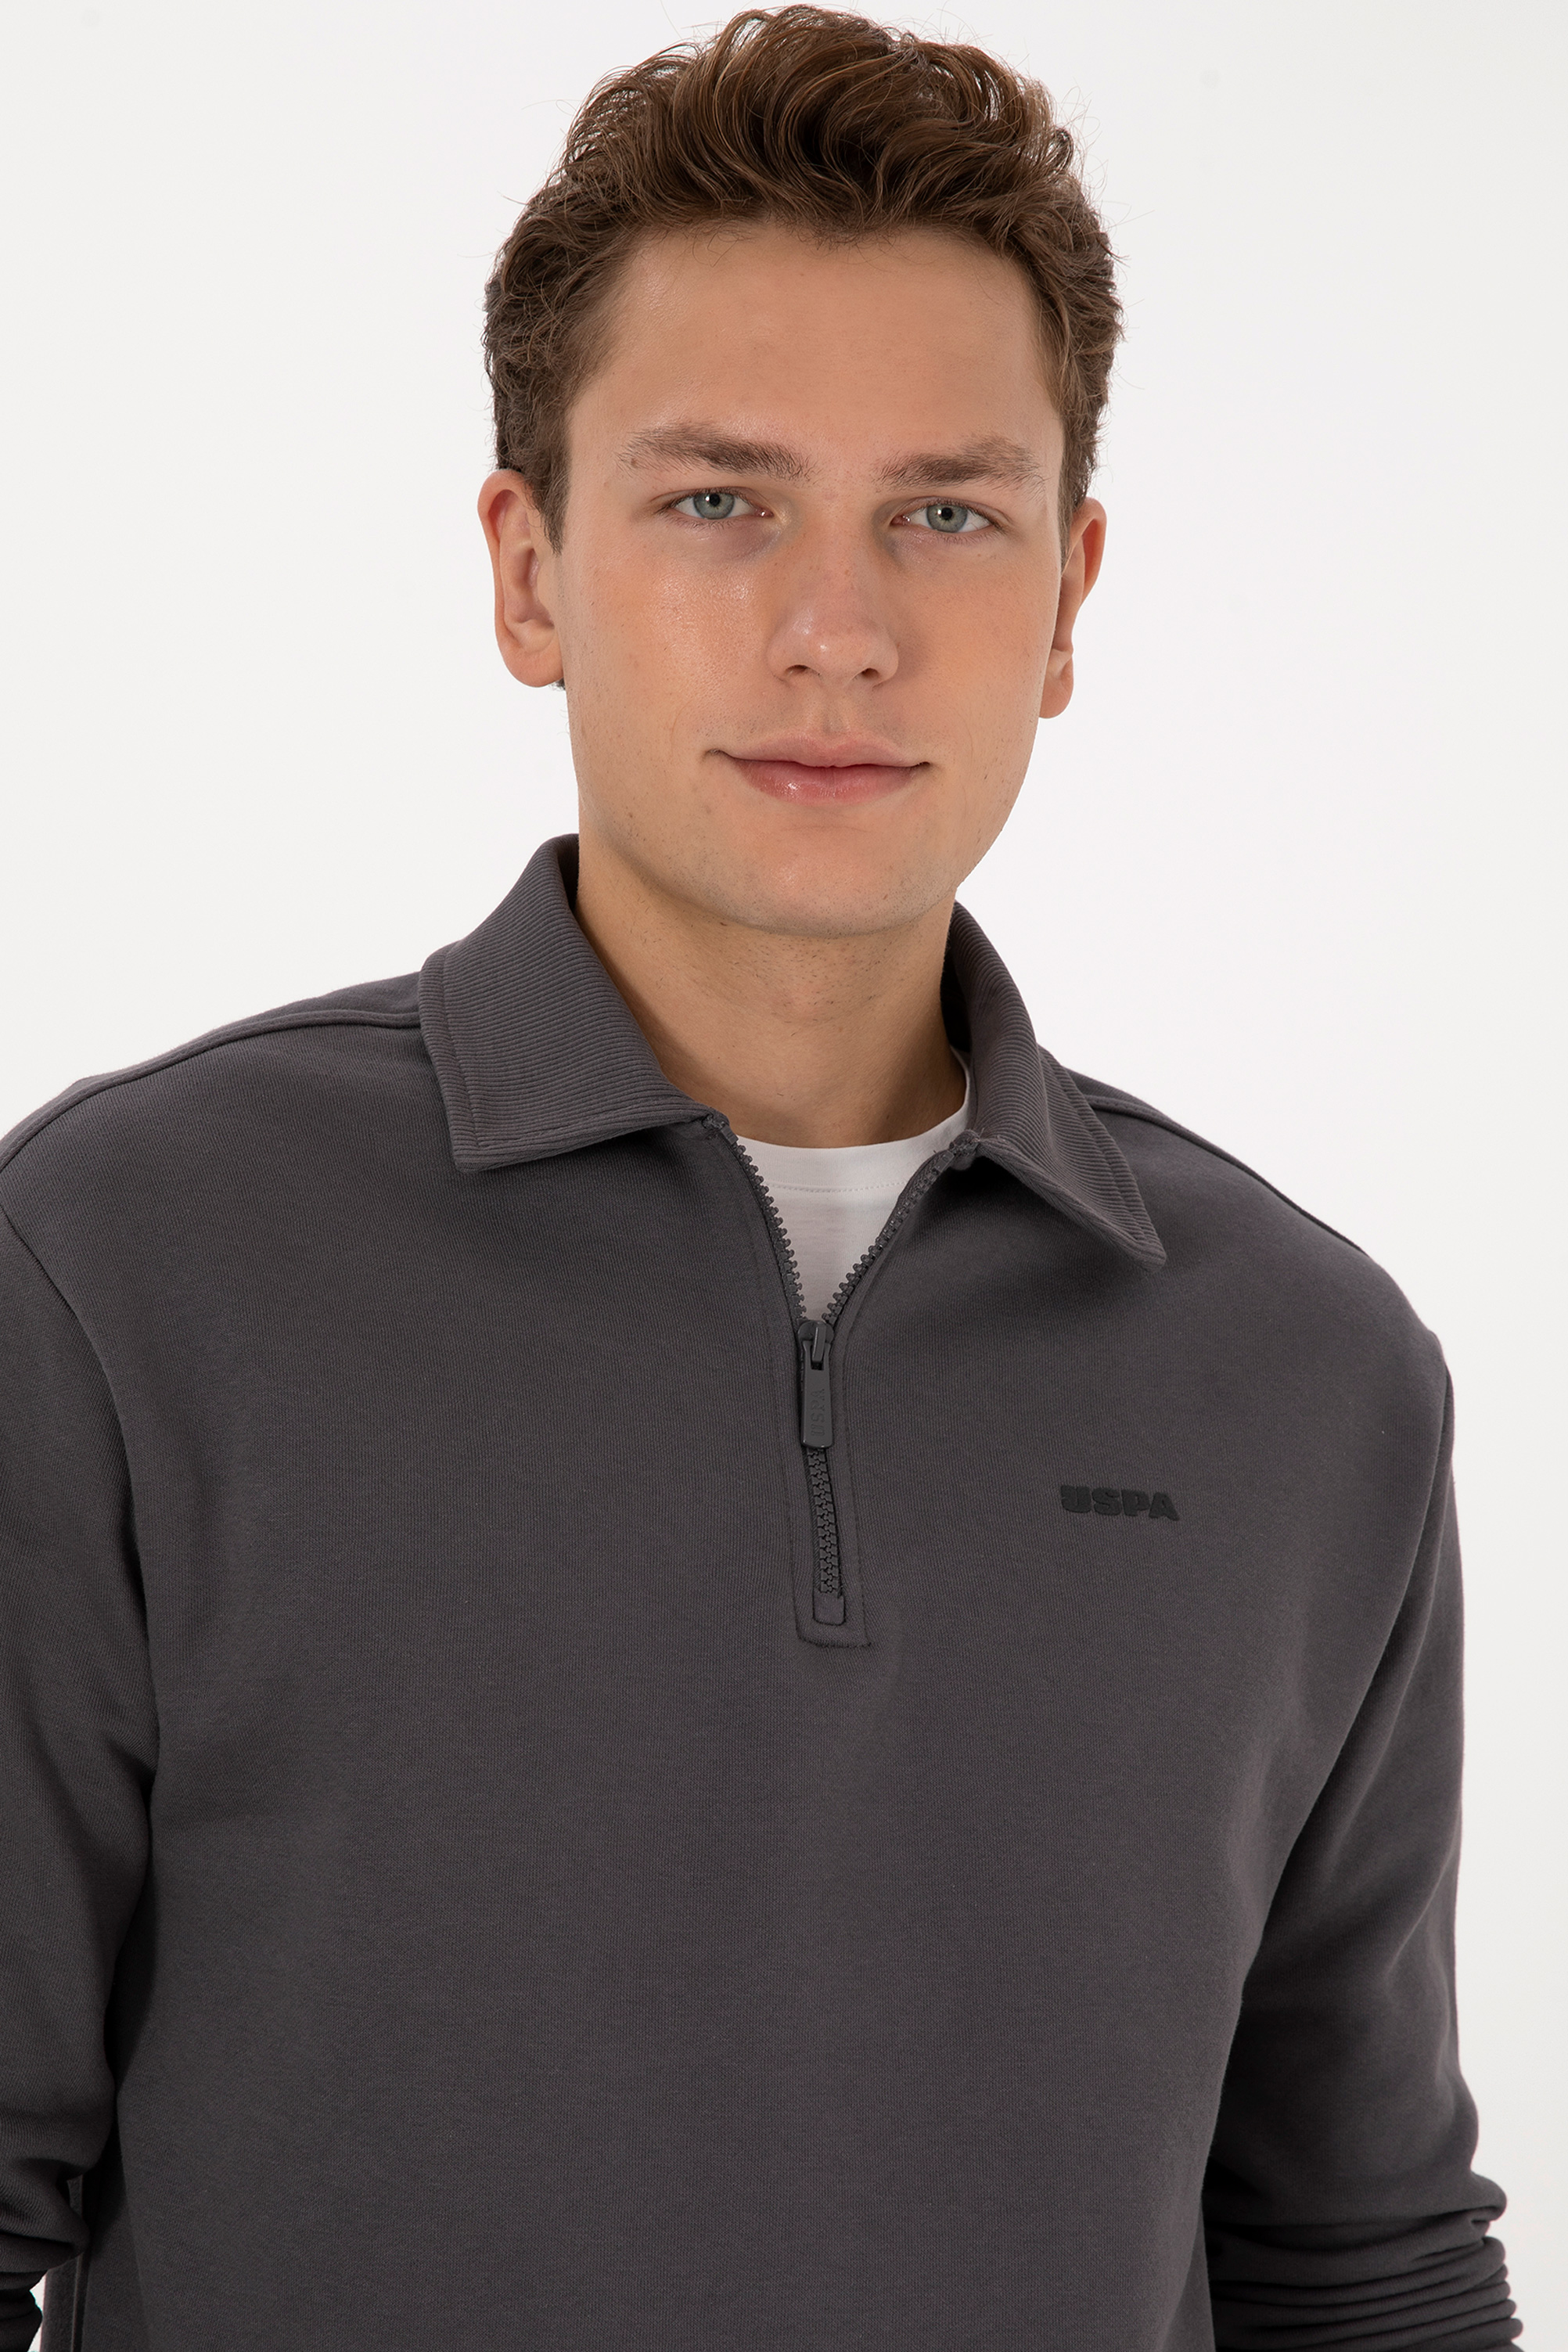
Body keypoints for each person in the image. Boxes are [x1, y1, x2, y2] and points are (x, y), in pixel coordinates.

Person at [0, 8, 1523, 2347]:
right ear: (528, 570)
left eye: (946, 511)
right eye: (720, 501)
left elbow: (1360, 2263)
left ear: (1068, 597)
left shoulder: (1310, 1376)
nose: (840, 630)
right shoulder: (121, 1266)